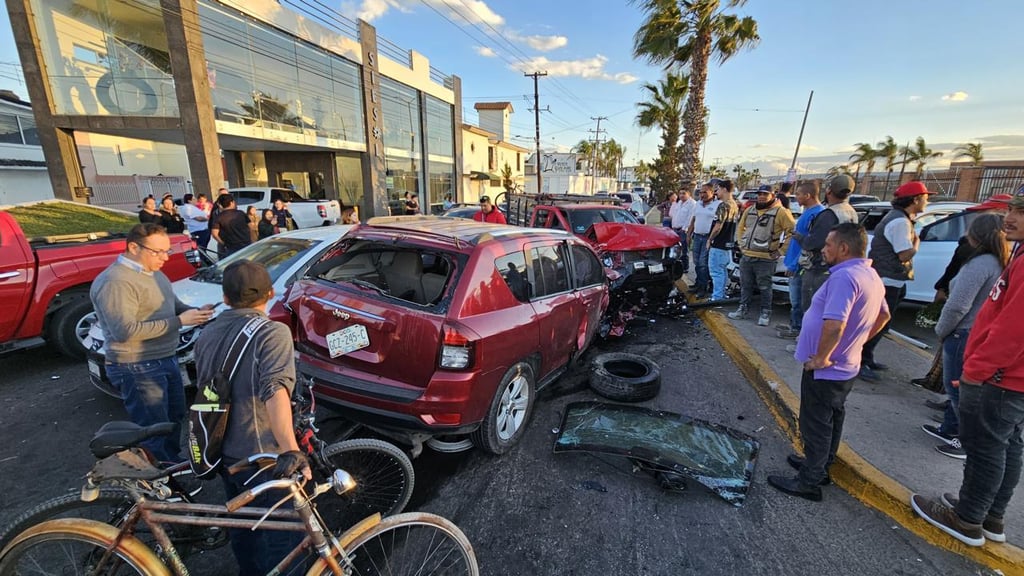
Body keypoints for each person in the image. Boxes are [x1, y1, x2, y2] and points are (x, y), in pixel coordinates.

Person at [911, 188, 1024, 547]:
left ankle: (968, 518)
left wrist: (977, 368)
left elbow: (1013, 327)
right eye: (1012, 209)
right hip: (1007, 376)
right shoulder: (1017, 254)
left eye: (1020, 212)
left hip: (1002, 377)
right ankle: (989, 514)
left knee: (986, 447)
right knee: (1006, 447)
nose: (1010, 217)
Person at [193, 260, 310, 575]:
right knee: (283, 538)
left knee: (244, 528)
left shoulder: (207, 331)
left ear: (226, 297)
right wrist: (289, 449)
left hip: (220, 448)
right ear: (270, 293)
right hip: (260, 454)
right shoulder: (273, 332)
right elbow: (274, 391)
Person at [767, 223, 890, 501]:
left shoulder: (845, 278)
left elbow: (834, 325)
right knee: (831, 418)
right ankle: (819, 465)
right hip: (846, 364)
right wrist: (857, 343)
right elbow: (884, 316)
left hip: (827, 368)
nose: (823, 249)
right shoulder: (869, 274)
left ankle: (809, 481)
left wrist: (821, 358)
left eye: (828, 245)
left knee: (816, 423)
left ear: (844, 248)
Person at [89, 223, 214, 462]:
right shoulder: (116, 282)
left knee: (173, 417)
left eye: (167, 251)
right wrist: (179, 321)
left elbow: (173, 305)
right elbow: (124, 332)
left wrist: (195, 312)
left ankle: (171, 464)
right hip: (137, 366)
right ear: (133, 247)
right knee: (153, 426)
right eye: (158, 252)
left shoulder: (154, 273)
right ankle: (162, 478)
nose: (165, 258)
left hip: (165, 358)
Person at [921, 213, 1009, 460]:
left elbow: (958, 305)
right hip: (974, 331)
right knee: (957, 387)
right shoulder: (997, 262)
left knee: (957, 388)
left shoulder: (979, 264)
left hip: (963, 332)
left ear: (976, 235)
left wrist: (941, 330)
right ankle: (949, 428)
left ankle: (963, 439)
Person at [859, 181, 936, 382]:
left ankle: (867, 358)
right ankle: (861, 361)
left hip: (891, 279)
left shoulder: (901, 219)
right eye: (925, 198)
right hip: (887, 279)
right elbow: (904, 255)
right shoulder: (900, 222)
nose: (927, 202)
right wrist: (916, 244)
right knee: (877, 323)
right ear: (915, 199)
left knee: (882, 323)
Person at [728, 184, 796, 326]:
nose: (762, 197)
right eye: (760, 194)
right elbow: (741, 227)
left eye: (765, 194)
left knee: (765, 286)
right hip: (747, 256)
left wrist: (781, 251)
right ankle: (743, 309)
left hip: (766, 258)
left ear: (773, 195)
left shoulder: (781, 212)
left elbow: (792, 232)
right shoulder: (750, 210)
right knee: (745, 285)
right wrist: (742, 244)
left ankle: (765, 312)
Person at [797, 174, 860, 314]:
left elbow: (814, 243)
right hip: (841, 266)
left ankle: (808, 334)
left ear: (829, 191)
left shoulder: (829, 214)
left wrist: (799, 237)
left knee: (812, 308)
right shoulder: (851, 212)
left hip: (820, 268)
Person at [777, 180, 824, 339]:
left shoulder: (816, 214)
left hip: (800, 265)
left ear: (808, 195)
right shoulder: (808, 212)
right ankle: (795, 325)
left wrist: (795, 264)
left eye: (798, 194)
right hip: (794, 261)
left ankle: (799, 330)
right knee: (795, 299)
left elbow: (808, 244)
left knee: (799, 301)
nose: (795, 197)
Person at [687, 181, 721, 298]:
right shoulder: (698, 204)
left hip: (707, 237)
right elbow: (693, 220)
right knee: (696, 262)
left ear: (712, 192)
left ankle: (703, 287)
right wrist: (689, 234)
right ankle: (698, 283)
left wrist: (711, 238)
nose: (702, 195)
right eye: (700, 192)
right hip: (697, 236)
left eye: (705, 192)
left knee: (703, 263)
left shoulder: (718, 205)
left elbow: (718, 223)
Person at [707, 179, 739, 302]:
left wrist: (710, 239)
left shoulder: (723, 205)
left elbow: (718, 225)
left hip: (719, 243)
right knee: (723, 270)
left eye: (718, 189)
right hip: (728, 243)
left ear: (724, 189)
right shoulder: (734, 205)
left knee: (716, 271)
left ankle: (717, 296)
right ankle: (722, 293)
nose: (717, 192)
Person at [211, 193, 252, 258]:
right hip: (246, 243)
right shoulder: (241, 213)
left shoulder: (218, 217)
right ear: (232, 202)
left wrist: (223, 243)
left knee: (235, 265)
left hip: (231, 247)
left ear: (221, 205)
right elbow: (251, 226)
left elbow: (214, 234)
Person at [669, 188, 697, 274]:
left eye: (684, 193)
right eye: (680, 193)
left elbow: (691, 218)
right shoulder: (679, 203)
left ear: (689, 194)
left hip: (683, 230)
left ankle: (685, 267)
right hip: (675, 230)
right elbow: (673, 215)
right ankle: (676, 268)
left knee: (684, 250)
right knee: (675, 250)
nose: (681, 195)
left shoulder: (692, 204)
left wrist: (685, 229)